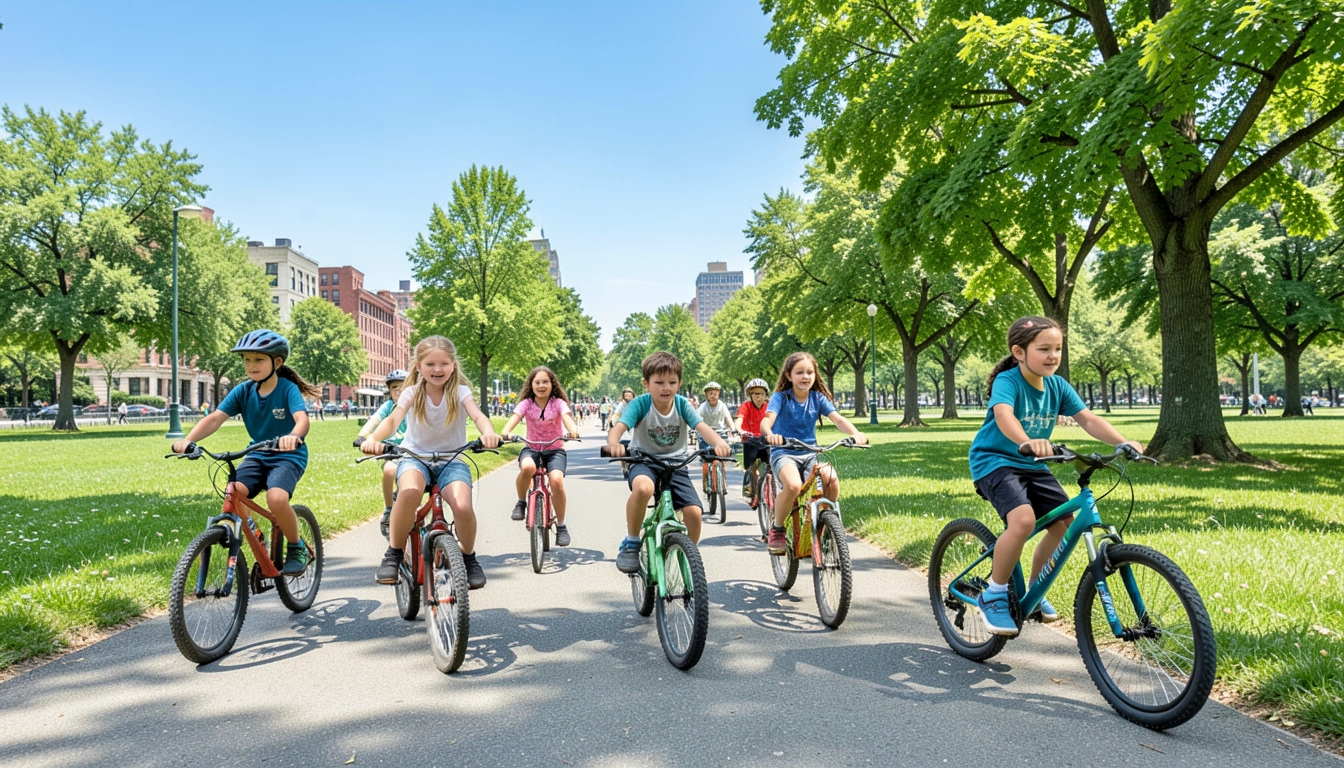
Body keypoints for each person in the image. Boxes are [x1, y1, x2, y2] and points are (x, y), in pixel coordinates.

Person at [969, 316, 1142, 636]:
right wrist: (1026, 441)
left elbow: (1087, 419)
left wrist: (1123, 442)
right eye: (1044, 349)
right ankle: (993, 593)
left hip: (1034, 464)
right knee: (1023, 521)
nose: (1053, 356)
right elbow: (1004, 415)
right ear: (1019, 352)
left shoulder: (1057, 386)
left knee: (1064, 524)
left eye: (1058, 349)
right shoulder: (1009, 381)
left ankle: (1034, 591)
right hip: (995, 461)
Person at [171, 330, 317, 576]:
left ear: (277, 362)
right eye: (247, 360)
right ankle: (256, 535)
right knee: (234, 492)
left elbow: (302, 419)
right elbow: (215, 418)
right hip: (258, 454)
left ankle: (296, 547)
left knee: (276, 499)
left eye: (258, 359)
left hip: (288, 456)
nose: (251, 365)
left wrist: (293, 436)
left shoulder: (287, 389)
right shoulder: (243, 391)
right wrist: (188, 440)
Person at [360, 336, 501, 589]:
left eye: (444, 363)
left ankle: (468, 558)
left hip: (452, 459)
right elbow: (393, 420)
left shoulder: (460, 392)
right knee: (409, 493)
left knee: (462, 506)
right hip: (416, 458)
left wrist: (488, 433)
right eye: (430, 364)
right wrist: (372, 439)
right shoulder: (412, 393)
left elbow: (478, 416)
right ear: (419, 367)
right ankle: (393, 553)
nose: (438, 369)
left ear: (454, 365)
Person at [607, 352, 732, 573]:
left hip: (675, 465)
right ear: (646, 384)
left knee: (694, 512)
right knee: (644, 488)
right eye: (659, 383)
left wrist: (720, 443)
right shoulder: (640, 404)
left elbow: (702, 427)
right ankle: (632, 541)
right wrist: (614, 444)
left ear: (680, 383)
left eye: (672, 382)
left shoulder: (682, 405)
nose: (666, 388)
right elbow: (619, 428)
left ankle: (689, 557)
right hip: (643, 461)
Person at [761, 352, 868, 556]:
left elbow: (838, 419)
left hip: (810, 453)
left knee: (830, 478)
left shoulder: (817, 398)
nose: (805, 377)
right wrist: (770, 434)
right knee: (793, 486)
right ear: (788, 375)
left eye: (810, 372)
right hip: (784, 452)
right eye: (799, 372)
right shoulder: (780, 398)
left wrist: (855, 434)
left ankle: (826, 524)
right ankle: (777, 528)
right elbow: (767, 420)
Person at [501, 366, 581, 546]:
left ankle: (561, 526)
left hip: (555, 450)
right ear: (531, 385)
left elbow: (568, 419)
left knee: (556, 481)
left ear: (552, 384)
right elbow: (509, 425)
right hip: (532, 448)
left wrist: (573, 431)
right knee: (527, 468)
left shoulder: (558, 403)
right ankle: (521, 502)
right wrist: (507, 433)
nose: (541, 386)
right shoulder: (526, 404)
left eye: (545, 382)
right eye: (537, 382)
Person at [357, 369, 411, 536]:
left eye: (403, 387)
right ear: (389, 390)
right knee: (389, 470)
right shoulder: (387, 407)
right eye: (394, 387)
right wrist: (362, 436)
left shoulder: (415, 406)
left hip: (413, 450)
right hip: (391, 450)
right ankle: (389, 508)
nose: (399, 391)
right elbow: (374, 421)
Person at [735, 378, 771, 506]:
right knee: (753, 468)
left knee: (772, 465)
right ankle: (754, 493)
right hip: (750, 440)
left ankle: (771, 488)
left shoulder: (769, 407)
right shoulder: (745, 406)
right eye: (756, 394)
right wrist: (740, 430)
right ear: (750, 395)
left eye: (762, 394)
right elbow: (739, 421)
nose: (759, 397)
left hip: (766, 439)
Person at [696, 382, 737, 493]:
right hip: (706, 432)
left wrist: (733, 429)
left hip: (720, 432)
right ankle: (706, 480)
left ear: (719, 394)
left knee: (722, 457)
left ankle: (722, 481)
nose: (713, 395)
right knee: (706, 457)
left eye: (715, 393)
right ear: (706, 395)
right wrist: (695, 428)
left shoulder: (722, 405)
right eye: (710, 393)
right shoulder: (703, 407)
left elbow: (727, 417)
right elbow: (697, 418)